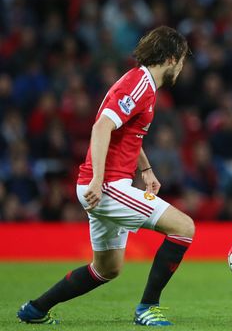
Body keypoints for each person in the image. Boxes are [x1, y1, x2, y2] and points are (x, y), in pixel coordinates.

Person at [17, 26, 194, 326]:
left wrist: (146, 169)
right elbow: (101, 127)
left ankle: (34, 309)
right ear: (172, 57)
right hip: (107, 185)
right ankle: (147, 308)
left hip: (106, 183)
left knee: (107, 269)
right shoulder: (139, 84)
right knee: (183, 227)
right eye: (182, 61)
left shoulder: (142, 85)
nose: (181, 68)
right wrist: (99, 180)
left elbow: (125, 132)